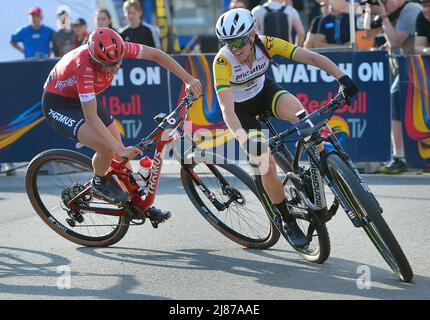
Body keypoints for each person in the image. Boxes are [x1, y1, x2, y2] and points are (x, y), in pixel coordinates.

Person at [213, 8, 357, 248]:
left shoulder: (266, 44)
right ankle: (287, 219)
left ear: (252, 35)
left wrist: (342, 78)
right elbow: (227, 110)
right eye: (228, 42)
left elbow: (310, 57)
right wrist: (242, 139)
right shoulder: (222, 61)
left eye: (239, 40)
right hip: (241, 111)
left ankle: (326, 168)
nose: (234, 47)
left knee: (305, 120)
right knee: (265, 164)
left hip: (264, 93)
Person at [42, 28, 201, 222]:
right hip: (59, 104)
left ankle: (136, 204)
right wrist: (118, 148)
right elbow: (91, 118)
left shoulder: (119, 48)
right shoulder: (83, 67)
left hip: (81, 97)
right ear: (94, 59)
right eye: (108, 65)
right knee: (108, 148)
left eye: (117, 62)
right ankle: (99, 181)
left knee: (121, 158)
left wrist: (188, 79)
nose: (115, 68)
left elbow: (156, 55)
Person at [367, 0, 422, 173]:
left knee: (395, 103)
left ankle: (400, 157)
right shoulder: (392, 12)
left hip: (417, 66)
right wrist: (370, 10)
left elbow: (396, 41)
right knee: (397, 107)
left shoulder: (411, 10)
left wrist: (383, 15)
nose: (382, 3)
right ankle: (403, 155)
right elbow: (368, 33)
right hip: (406, 69)